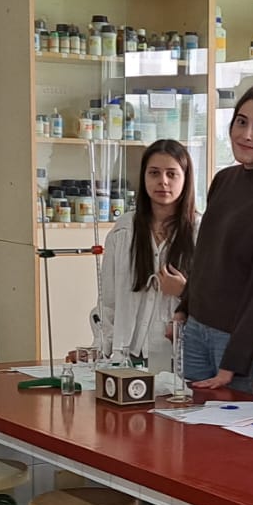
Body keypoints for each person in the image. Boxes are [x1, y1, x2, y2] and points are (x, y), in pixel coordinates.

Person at [181, 86, 253, 393]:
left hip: (239, 342)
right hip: (196, 329)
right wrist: (183, 308)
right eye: (241, 122)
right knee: (188, 420)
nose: (246, 135)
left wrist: (234, 359)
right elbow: (204, 256)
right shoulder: (224, 179)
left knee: (235, 423)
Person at [93, 139, 197, 371]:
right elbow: (107, 301)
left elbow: (217, 302)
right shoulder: (124, 230)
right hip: (126, 355)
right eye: (154, 173)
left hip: (177, 358)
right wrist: (101, 348)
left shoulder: (201, 232)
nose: (163, 181)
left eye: (172, 174)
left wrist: (185, 291)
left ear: (186, 179)